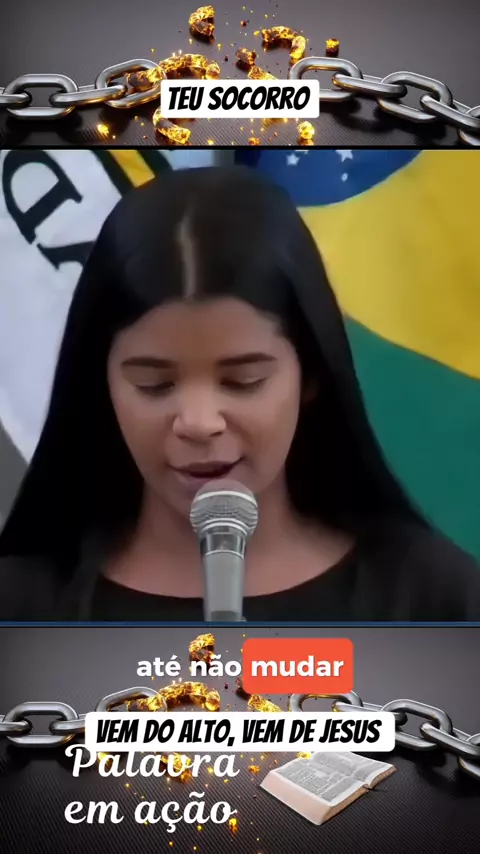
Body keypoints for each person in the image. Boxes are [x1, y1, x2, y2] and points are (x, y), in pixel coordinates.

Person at [0, 165, 479, 621]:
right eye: (154, 385)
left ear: (310, 372)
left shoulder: (434, 599)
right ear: (101, 380)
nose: (198, 422)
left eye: (243, 382)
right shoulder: (23, 605)